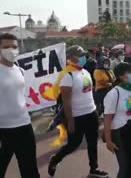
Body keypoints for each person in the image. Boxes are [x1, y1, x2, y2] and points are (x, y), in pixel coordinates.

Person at [48, 45, 108, 178]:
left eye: (83, 55)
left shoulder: (85, 72)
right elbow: (66, 102)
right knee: (73, 144)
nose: (83, 58)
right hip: (77, 116)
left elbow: (89, 93)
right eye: (79, 55)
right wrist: (70, 121)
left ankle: (94, 168)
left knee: (93, 142)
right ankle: (56, 159)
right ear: (70, 58)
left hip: (91, 113)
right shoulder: (67, 76)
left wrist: (96, 110)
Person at [0, 33, 40, 178]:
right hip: (3, 129)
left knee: (30, 169)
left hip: (24, 126)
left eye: (14, 47)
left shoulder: (20, 70)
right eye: (6, 47)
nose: (11, 50)